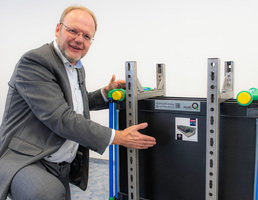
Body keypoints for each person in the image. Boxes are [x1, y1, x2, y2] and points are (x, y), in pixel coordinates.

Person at [0, 5, 156, 200]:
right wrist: (117, 137)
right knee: (48, 194)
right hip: (29, 160)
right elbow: (60, 117)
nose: (79, 40)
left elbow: (74, 104)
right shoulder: (36, 61)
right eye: (73, 31)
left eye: (86, 36)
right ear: (58, 29)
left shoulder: (76, 67)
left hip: (61, 165)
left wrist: (106, 93)